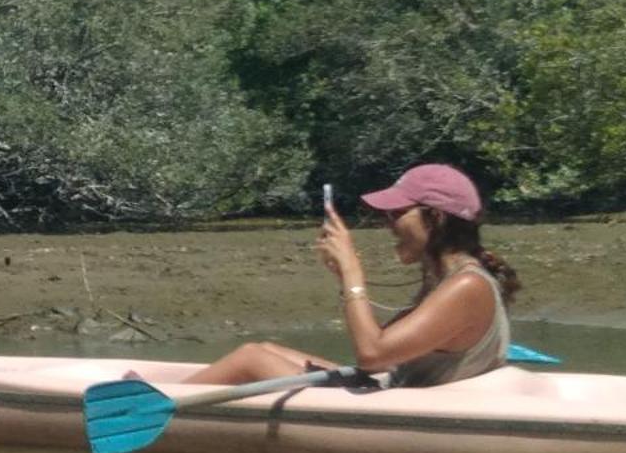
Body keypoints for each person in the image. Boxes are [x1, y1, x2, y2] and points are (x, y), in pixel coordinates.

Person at [184, 163, 519, 387]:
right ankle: (165, 398)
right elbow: (382, 357)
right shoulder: (449, 281)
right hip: (398, 392)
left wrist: (351, 273)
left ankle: (155, 411)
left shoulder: (467, 285)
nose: (386, 223)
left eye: (396, 213)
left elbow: (372, 355)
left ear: (436, 218)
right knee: (264, 348)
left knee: (250, 359)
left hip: (403, 413)